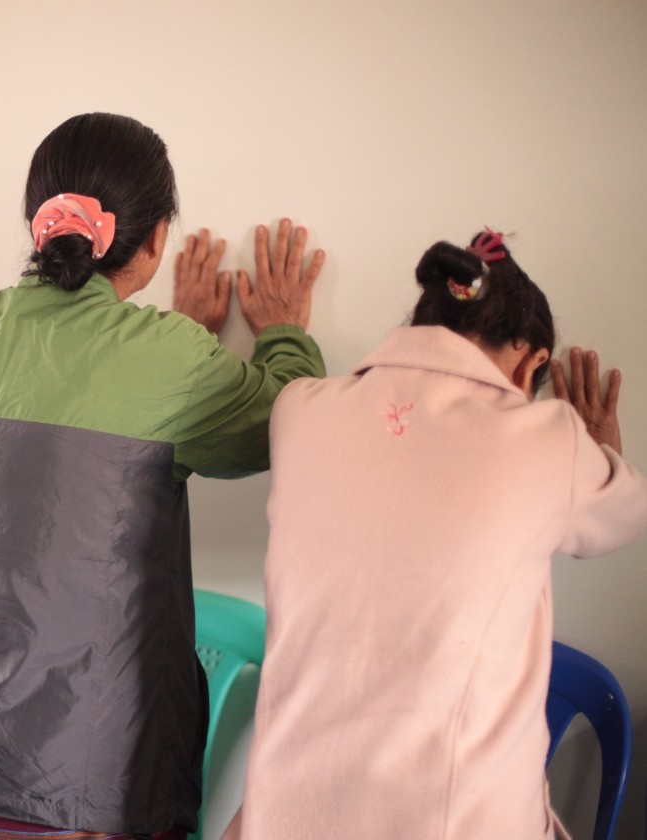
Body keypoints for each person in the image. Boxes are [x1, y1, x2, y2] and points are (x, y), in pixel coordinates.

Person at [0, 111, 326, 838]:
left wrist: (177, 343)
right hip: (66, 799)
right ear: (157, 237)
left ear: (36, 224)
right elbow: (292, 424)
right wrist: (284, 332)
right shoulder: (169, 356)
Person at [224, 229, 647, 839]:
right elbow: (626, 517)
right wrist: (596, 448)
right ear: (530, 360)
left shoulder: (300, 408)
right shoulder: (550, 439)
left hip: (284, 819)